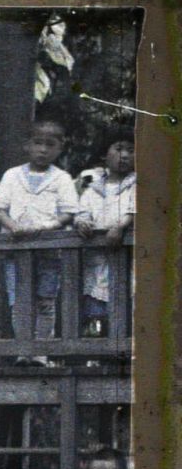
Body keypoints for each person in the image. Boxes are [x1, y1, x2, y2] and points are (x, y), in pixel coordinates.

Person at [0, 118, 80, 340]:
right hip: (16, 249)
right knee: (19, 300)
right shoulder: (12, 175)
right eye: (38, 143)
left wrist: (48, 227)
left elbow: (68, 212)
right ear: (27, 145)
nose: (43, 150)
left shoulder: (62, 179)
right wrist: (14, 227)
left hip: (49, 251)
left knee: (45, 300)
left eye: (50, 145)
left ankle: (41, 351)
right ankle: (23, 349)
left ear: (60, 148)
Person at [75, 136, 135, 336]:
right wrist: (82, 222)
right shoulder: (93, 189)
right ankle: (99, 353)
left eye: (130, 150)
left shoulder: (139, 184)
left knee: (130, 300)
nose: (125, 155)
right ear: (104, 155)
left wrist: (120, 226)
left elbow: (135, 209)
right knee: (97, 301)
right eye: (119, 148)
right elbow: (82, 211)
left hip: (131, 257)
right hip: (98, 257)